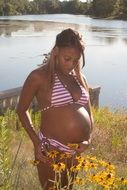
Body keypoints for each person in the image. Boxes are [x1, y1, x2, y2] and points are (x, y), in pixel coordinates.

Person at [17, 28, 94, 190]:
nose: (71, 64)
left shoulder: (80, 78)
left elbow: (89, 112)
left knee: (68, 188)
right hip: (50, 149)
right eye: (67, 59)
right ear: (56, 51)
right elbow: (22, 110)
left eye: (76, 60)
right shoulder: (39, 76)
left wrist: (89, 139)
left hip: (75, 151)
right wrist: (37, 142)